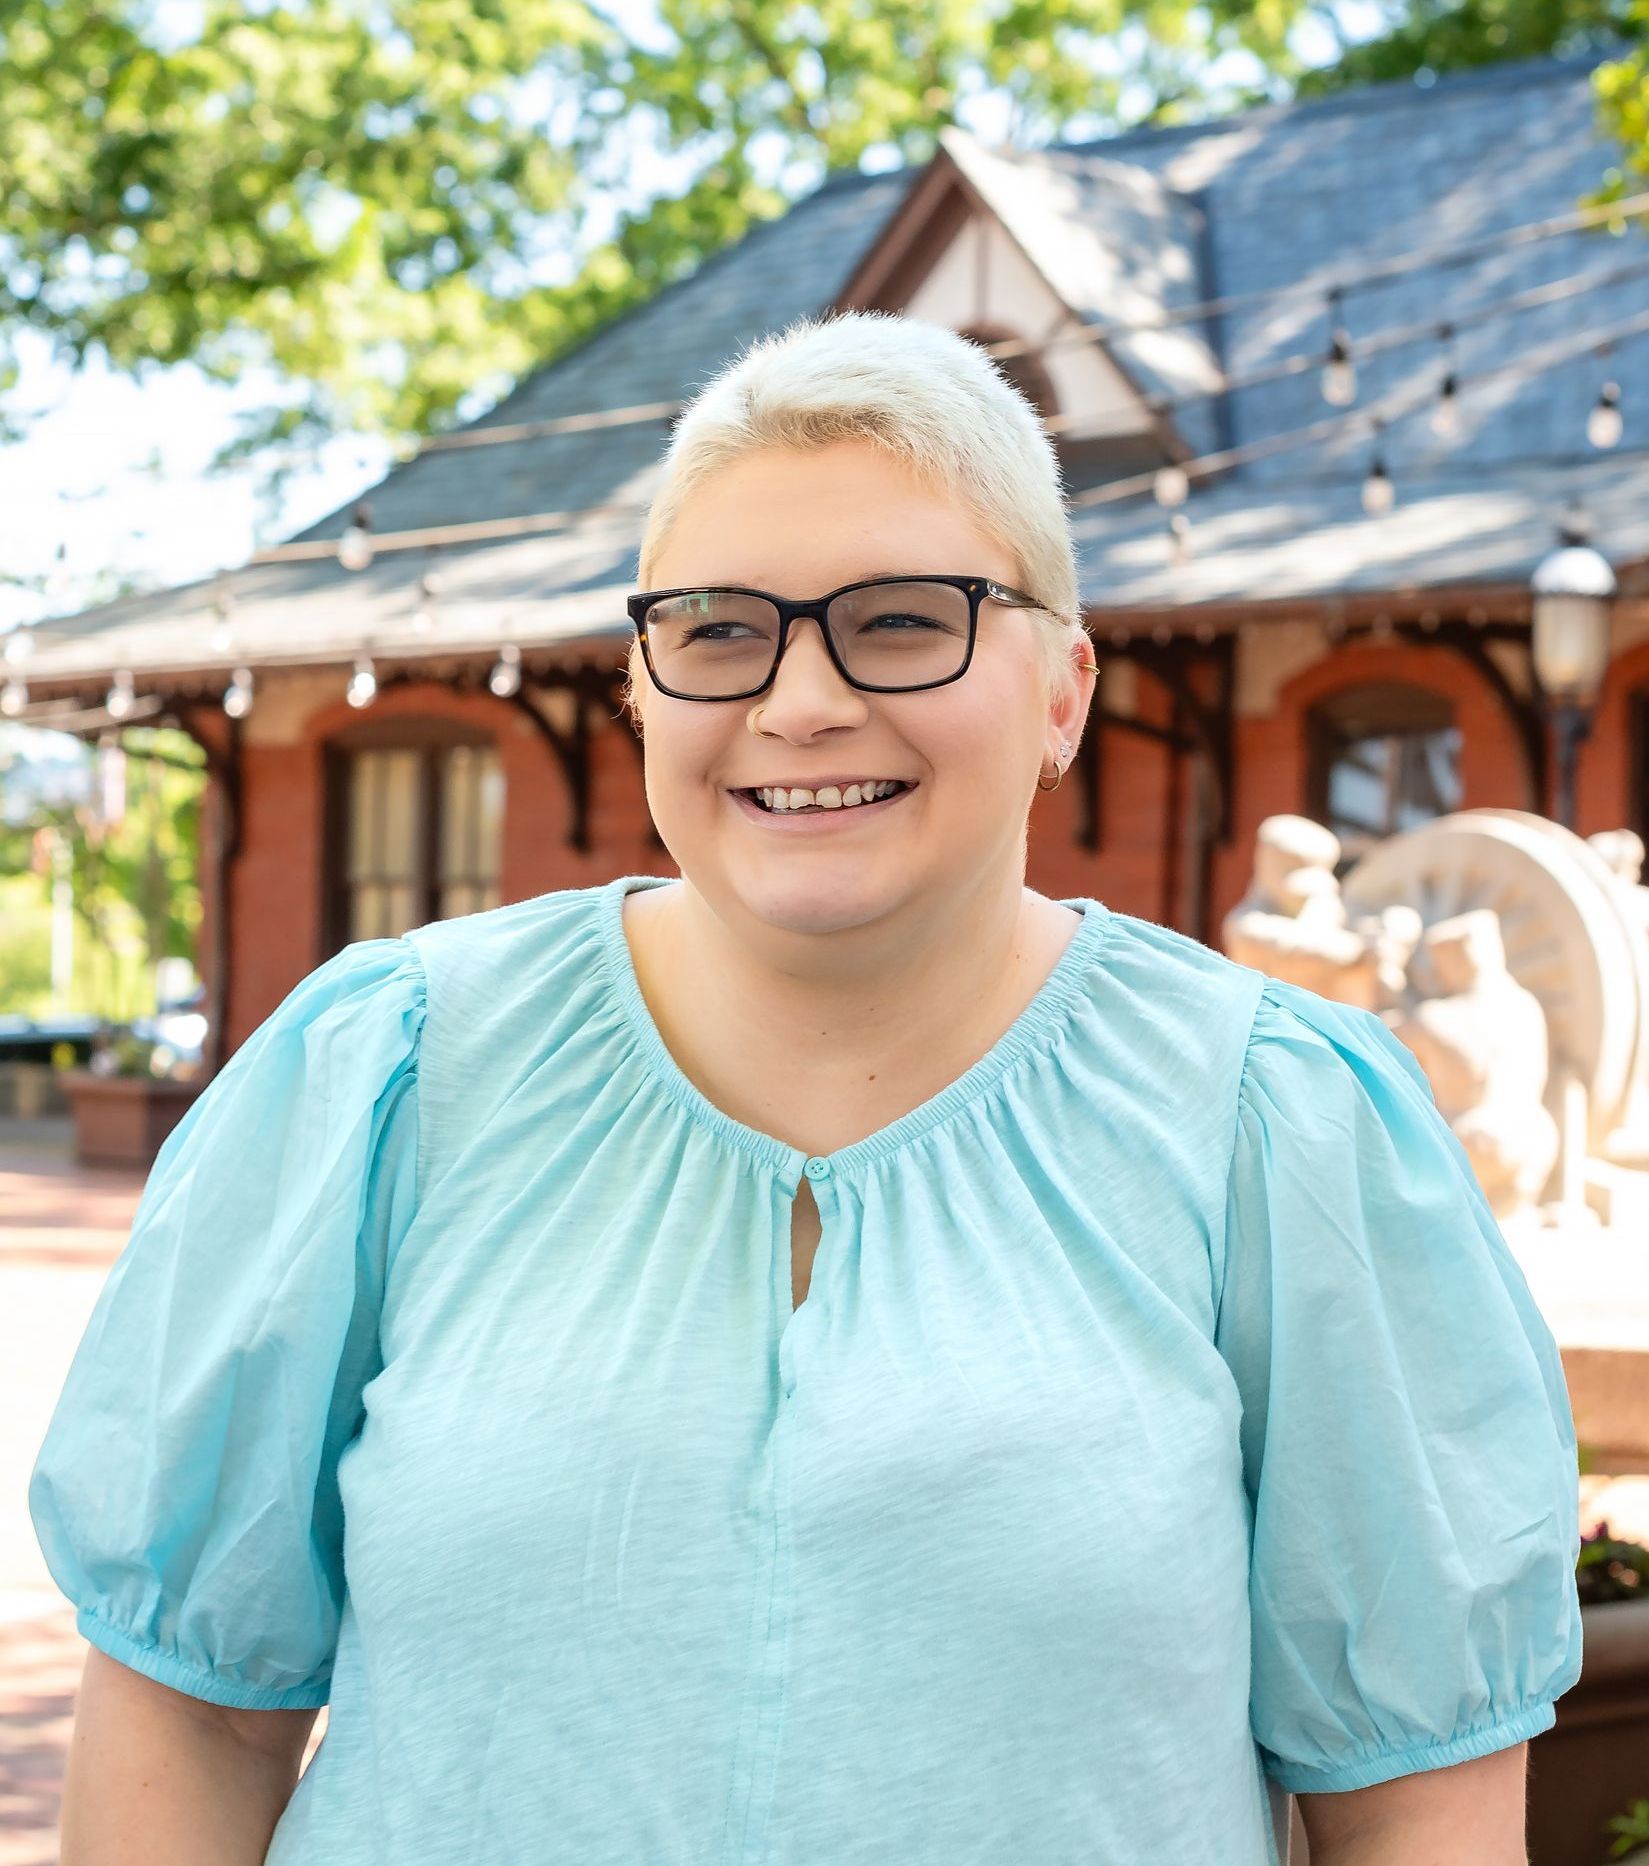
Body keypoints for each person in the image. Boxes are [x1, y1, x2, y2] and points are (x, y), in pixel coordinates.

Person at [30, 311, 1581, 1865]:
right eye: (716, 628)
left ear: (1063, 689)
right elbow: (195, 1707)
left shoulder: (1278, 1124)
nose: (799, 700)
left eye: (905, 619)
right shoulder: (391, 1069)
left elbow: (1413, 1807)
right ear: (643, 684)